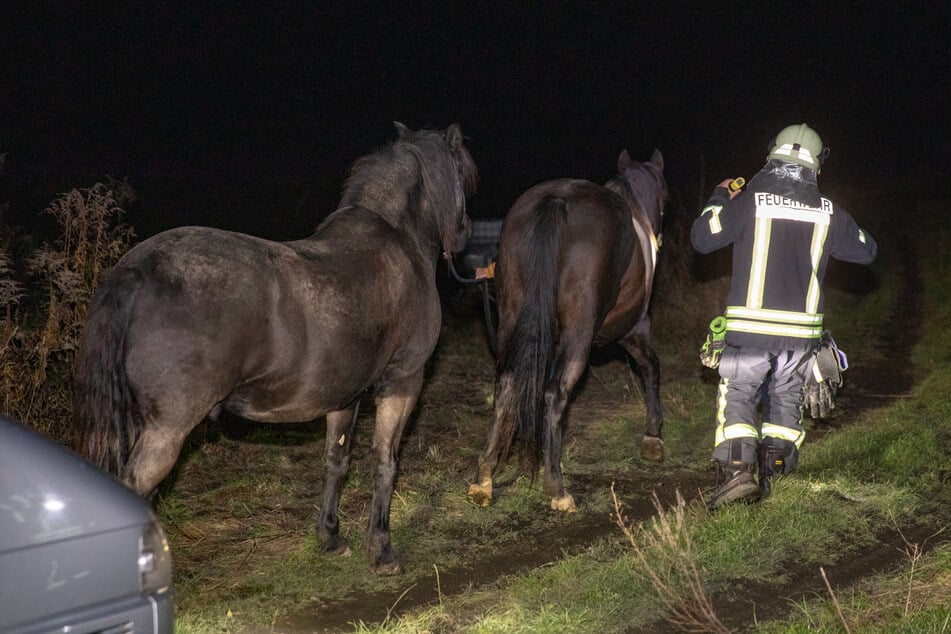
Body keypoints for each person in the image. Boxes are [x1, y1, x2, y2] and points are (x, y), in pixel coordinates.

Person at [691, 123, 878, 509]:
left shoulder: (749, 201)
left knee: (739, 396)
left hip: (749, 332)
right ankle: (776, 471)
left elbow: (702, 237)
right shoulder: (830, 212)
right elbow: (866, 251)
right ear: (817, 164)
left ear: (772, 153)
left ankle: (739, 475)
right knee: (785, 399)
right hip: (800, 338)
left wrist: (720, 195)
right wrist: (835, 216)